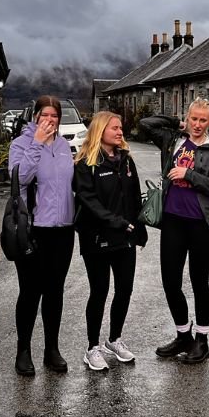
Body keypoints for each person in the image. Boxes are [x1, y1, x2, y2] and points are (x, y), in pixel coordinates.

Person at [140, 100, 209, 364]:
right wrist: (176, 123)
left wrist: (189, 174)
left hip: (202, 224)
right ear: (187, 119)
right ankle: (183, 335)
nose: (198, 125)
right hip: (172, 221)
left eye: (203, 120)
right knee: (170, 281)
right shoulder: (173, 140)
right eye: (194, 119)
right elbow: (146, 124)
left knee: (199, 281)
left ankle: (202, 339)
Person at [73, 111, 146, 371]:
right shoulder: (85, 163)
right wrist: (115, 221)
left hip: (125, 236)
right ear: (100, 130)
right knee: (99, 291)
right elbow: (88, 201)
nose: (120, 132)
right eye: (114, 128)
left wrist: (140, 228)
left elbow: (135, 197)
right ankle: (92, 347)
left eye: (120, 128)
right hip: (97, 237)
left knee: (124, 289)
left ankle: (114, 339)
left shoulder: (126, 160)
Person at [8, 94, 75, 376]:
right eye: (44, 115)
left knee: (55, 291)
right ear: (35, 116)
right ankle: (23, 350)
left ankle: (52, 349)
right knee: (30, 292)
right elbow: (20, 178)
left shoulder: (63, 146)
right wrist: (36, 141)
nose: (50, 121)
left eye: (54, 116)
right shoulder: (20, 144)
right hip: (33, 229)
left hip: (63, 230)